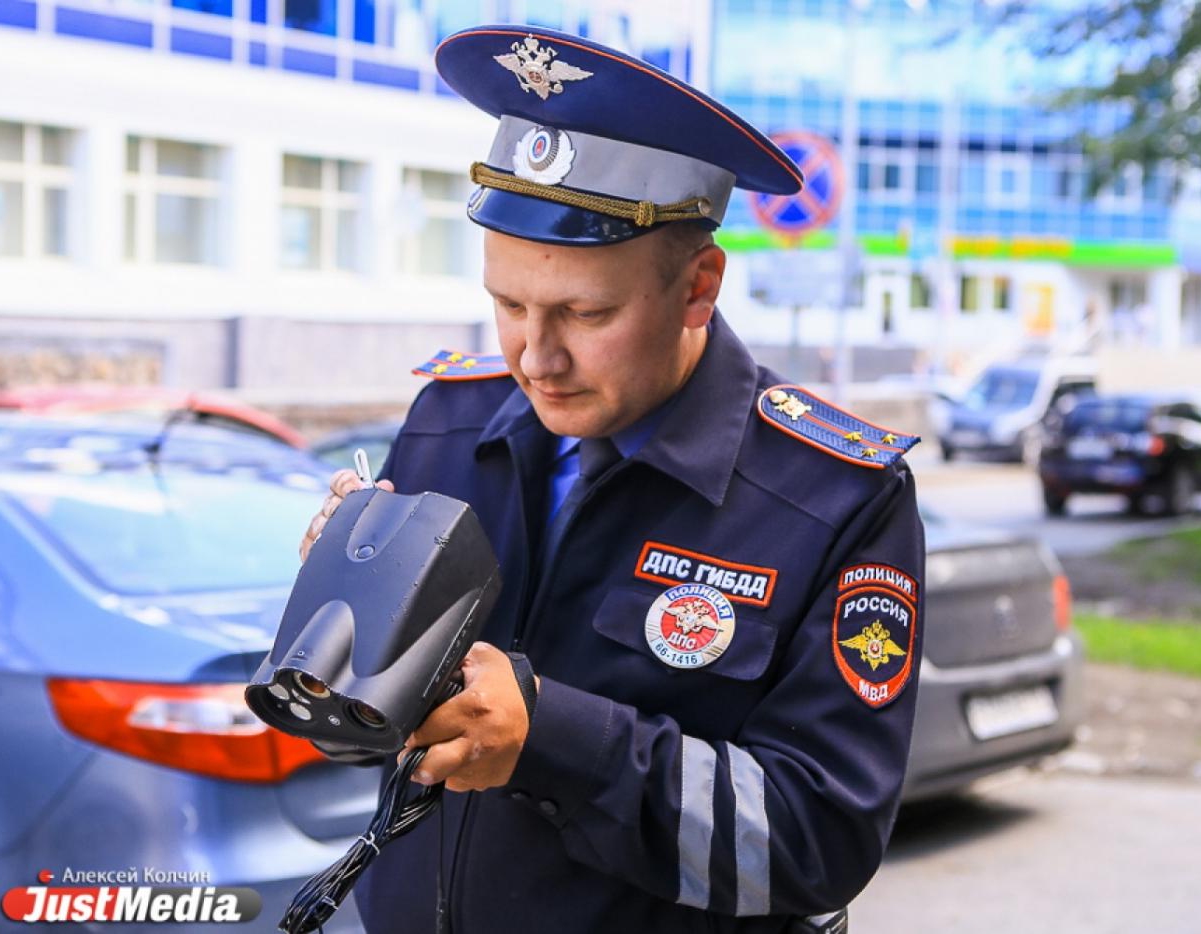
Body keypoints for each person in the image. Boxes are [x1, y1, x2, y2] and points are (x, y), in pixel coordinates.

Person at [300, 23, 926, 934]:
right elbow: (360, 747)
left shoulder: (833, 495)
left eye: (585, 313)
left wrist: (546, 740)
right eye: (507, 305)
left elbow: (817, 843)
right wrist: (341, 633)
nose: (535, 356)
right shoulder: (449, 420)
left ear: (698, 287)